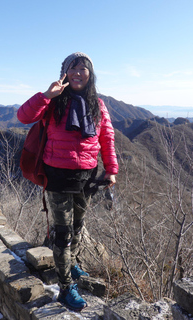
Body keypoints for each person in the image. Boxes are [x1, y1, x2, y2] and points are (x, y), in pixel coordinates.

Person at [17, 52, 118, 311]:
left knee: (78, 226)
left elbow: (106, 137)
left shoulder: (99, 104)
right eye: (72, 68)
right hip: (58, 175)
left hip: (87, 175)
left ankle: (72, 265)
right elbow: (23, 116)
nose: (77, 73)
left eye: (83, 69)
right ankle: (65, 287)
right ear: (64, 73)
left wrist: (111, 168)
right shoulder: (53, 101)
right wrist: (46, 95)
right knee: (63, 235)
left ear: (90, 73)